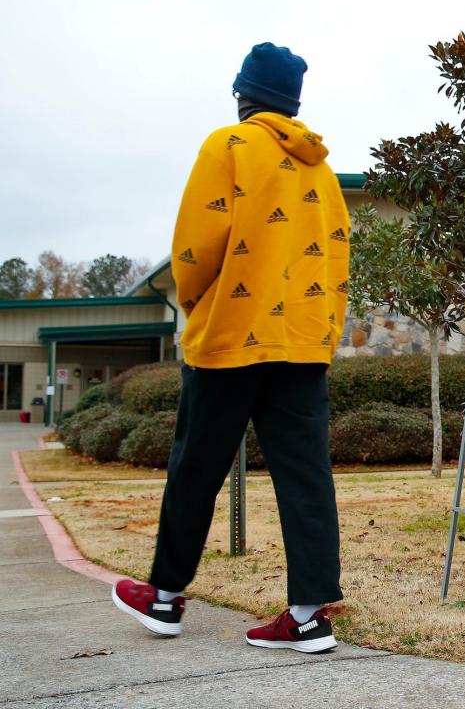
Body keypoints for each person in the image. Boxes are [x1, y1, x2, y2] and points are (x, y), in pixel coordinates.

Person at [111, 42, 349, 654]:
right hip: (301, 342)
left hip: (231, 336)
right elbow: (340, 257)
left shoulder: (228, 146)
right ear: (293, 101)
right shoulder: (320, 169)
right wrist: (320, 330)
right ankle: (306, 616)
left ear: (244, 93)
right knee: (306, 475)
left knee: (197, 466)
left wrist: (198, 305)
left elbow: (196, 245)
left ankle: (164, 599)